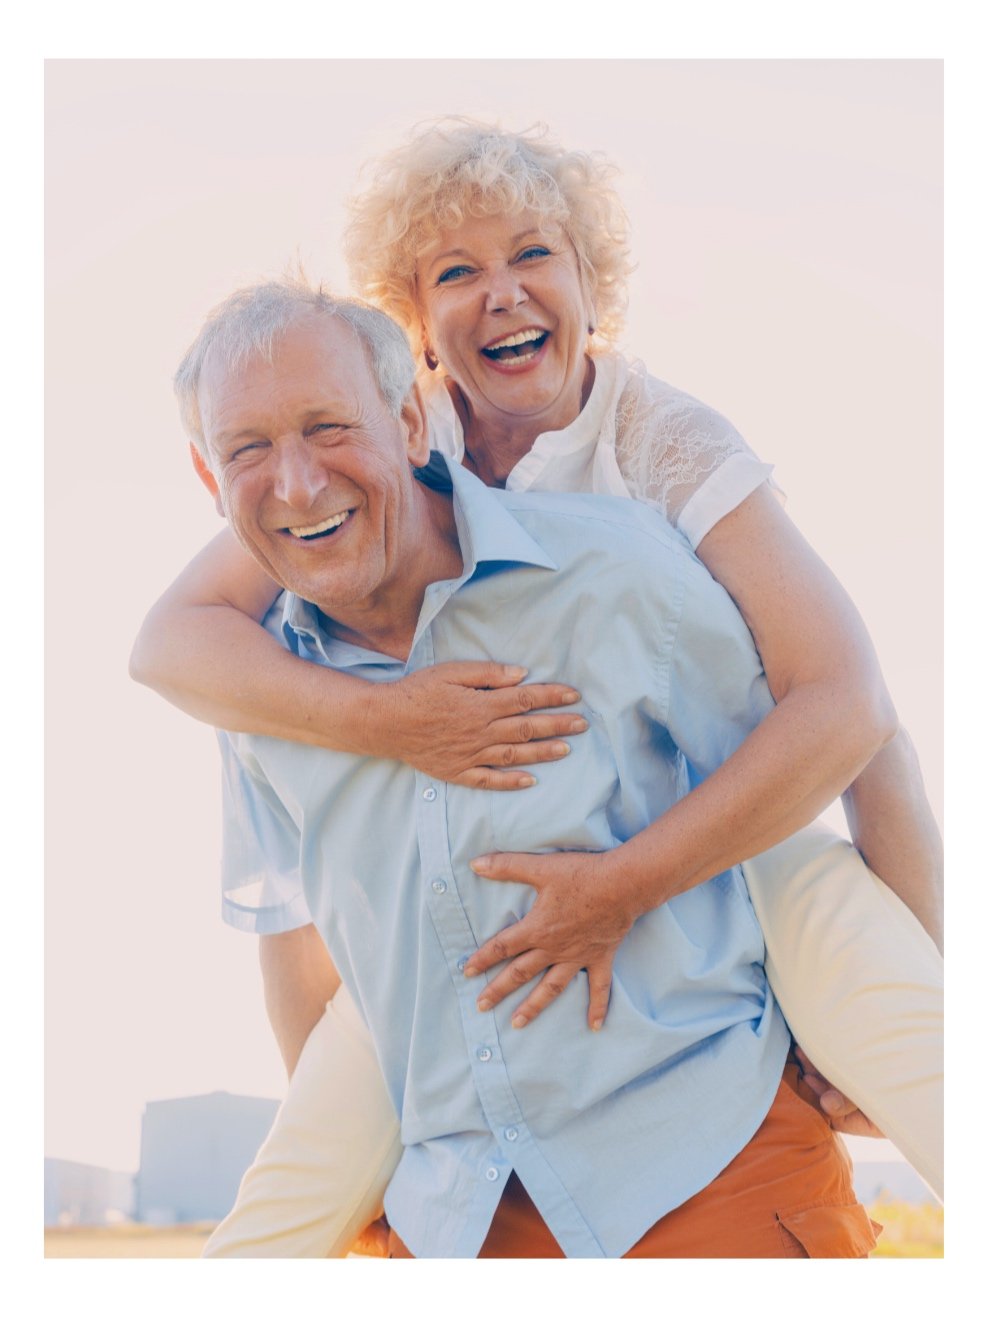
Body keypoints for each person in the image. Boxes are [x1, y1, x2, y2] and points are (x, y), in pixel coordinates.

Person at [130, 122, 943, 1239]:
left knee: (867, 972)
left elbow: (854, 713)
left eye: (533, 257)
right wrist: (388, 723)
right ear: (415, 330)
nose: (502, 294)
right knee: (306, 1169)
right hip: (472, 904)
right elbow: (172, 640)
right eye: (456, 272)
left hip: (724, 838)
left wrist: (629, 890)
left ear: (589, 280)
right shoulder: (387, 452)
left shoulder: (663, 444)